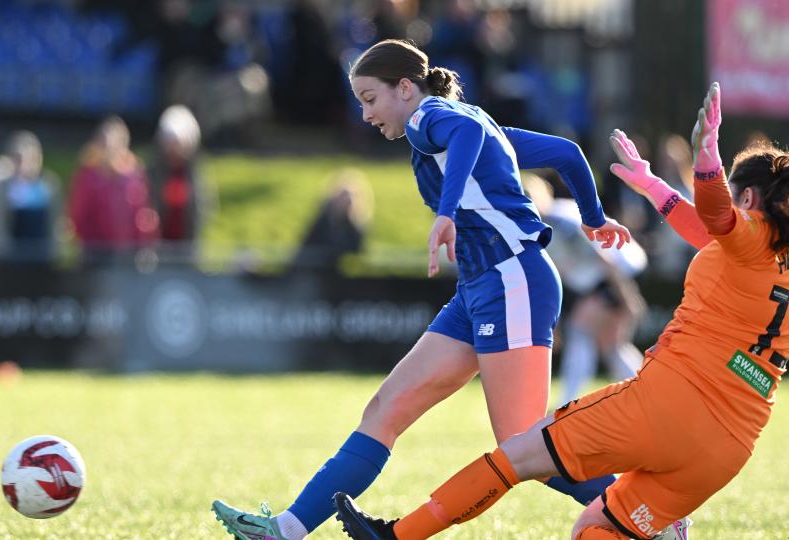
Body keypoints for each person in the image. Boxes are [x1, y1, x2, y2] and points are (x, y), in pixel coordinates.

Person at [332, 82, 789, 540]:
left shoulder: (745, 230)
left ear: (749, 201)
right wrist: (652, 184)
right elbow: (707, 229)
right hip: (731, 443)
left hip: (671, 404)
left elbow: (717, 215)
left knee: (516, 455)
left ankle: (396, 536)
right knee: (596, 528)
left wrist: (707, 160)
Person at [212, 38, 631, 540]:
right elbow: (566, 152)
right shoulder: (460, 121)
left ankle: (650, 511)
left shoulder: (427, 116)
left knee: (523, 444)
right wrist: (593, 218)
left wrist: (447, 212)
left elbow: (470, 133)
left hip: (512, 278)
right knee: (386, 409)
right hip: (484, 285)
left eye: (370, 98)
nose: (365, 114)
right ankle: (286, 530)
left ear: (406, 88)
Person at [522, 174, 648, 405]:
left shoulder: (560, 221)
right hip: (602, 282)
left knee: (583, 333)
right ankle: (649, 394)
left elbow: (605, 259)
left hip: (612, 280)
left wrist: (627, 298)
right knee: (610, 345)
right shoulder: (547, 222)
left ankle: (567, 403)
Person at [68, 116, 159, 264]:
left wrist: (144, 245)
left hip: (130, 255)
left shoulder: (135, 176)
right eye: (105, 144)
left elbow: (144, 215)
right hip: (96, 254)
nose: (110, 150)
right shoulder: (88, 176)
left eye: (116, 143)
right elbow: (78, 215)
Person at [147, 104, 214, 262]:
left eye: (178, 143)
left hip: (187, 246)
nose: (174, 148)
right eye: (170, 142)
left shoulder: (194, 173)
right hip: (158, 246)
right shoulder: (154, 171)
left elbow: (203, 208)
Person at [0, 131, 61, 265]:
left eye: (31, 158)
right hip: (10, 259)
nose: (24, 164)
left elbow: (55, 223)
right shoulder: (1, 187)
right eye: (18, 159)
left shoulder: (48, 186)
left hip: (41, 257)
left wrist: (54, 252)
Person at [293, 168, 373, 271]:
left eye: (352, 197)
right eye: (344, 196)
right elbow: (310, 249)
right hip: (317, 271)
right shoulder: (322, 221)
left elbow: (359, 251)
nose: (348, 201)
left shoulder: (356, 225)